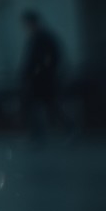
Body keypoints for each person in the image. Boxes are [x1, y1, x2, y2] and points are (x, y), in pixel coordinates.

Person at [19, 11, 69, 140]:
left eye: (28, 23)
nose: (27, 26)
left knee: (49, 105)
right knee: (42, 105)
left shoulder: (42, 38)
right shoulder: (38, 37)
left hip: (43, 78)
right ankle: (38, 134)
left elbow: (42, 59)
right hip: (40, 78)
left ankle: (67, 129)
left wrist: (40, 71)